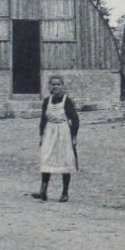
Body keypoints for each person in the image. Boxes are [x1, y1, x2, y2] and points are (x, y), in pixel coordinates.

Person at [31, 74, 79, 202]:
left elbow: (75, 119)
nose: (56, 87)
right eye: (53, 84)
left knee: (64, 160)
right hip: (49, 132)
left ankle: (64, 193)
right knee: (46, 158)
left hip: (63, 132)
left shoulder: (66, 100)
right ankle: (43, 190)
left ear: (62, 86)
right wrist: (41, 135)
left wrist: (74, 136)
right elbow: (43, 119)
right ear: (49, 86)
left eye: (58, 84)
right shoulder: (47, 100)